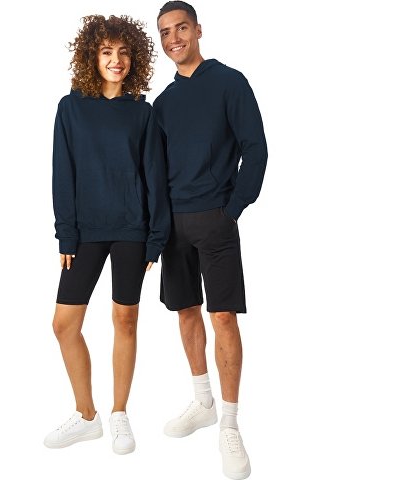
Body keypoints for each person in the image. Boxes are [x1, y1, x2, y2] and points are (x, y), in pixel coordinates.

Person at [43, 14, 169, 455]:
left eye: (124, 52)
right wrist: (66, 234)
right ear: (92, 56)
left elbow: (154, 177)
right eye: (107, 51)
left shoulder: (142, 113)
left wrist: (156, 237)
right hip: (85, 232)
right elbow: (63, 173)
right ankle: (86, 416)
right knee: (64, 324)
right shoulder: (70, 107)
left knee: (125, 319)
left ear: (135, 58)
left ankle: (119, 413)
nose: (116, 60)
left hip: (132, 230)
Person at [153, 2, 268, 478]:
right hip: (173, 224)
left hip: (216, 219)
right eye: (165, 32)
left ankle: (230, 424)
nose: (174, 38)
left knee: (222, 316)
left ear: (198, 30)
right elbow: (153, 170)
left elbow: (255, 148)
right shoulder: (162, 104)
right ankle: (203, 401)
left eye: (181, 27)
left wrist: (233, 208)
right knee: (185, 311)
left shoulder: (229, 82)